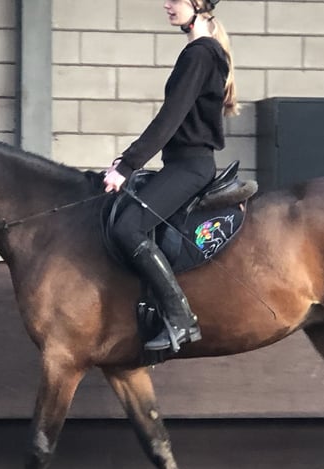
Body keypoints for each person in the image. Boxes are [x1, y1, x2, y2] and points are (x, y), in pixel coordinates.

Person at [103, 0, 239, 353]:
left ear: (197, 3)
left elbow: (170, 118)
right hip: (182, 163)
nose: (167, 4)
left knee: (126, 227)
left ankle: (180, 317)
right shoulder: (203, 52)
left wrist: (127, 166)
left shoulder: (200, 54)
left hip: (191, 167)